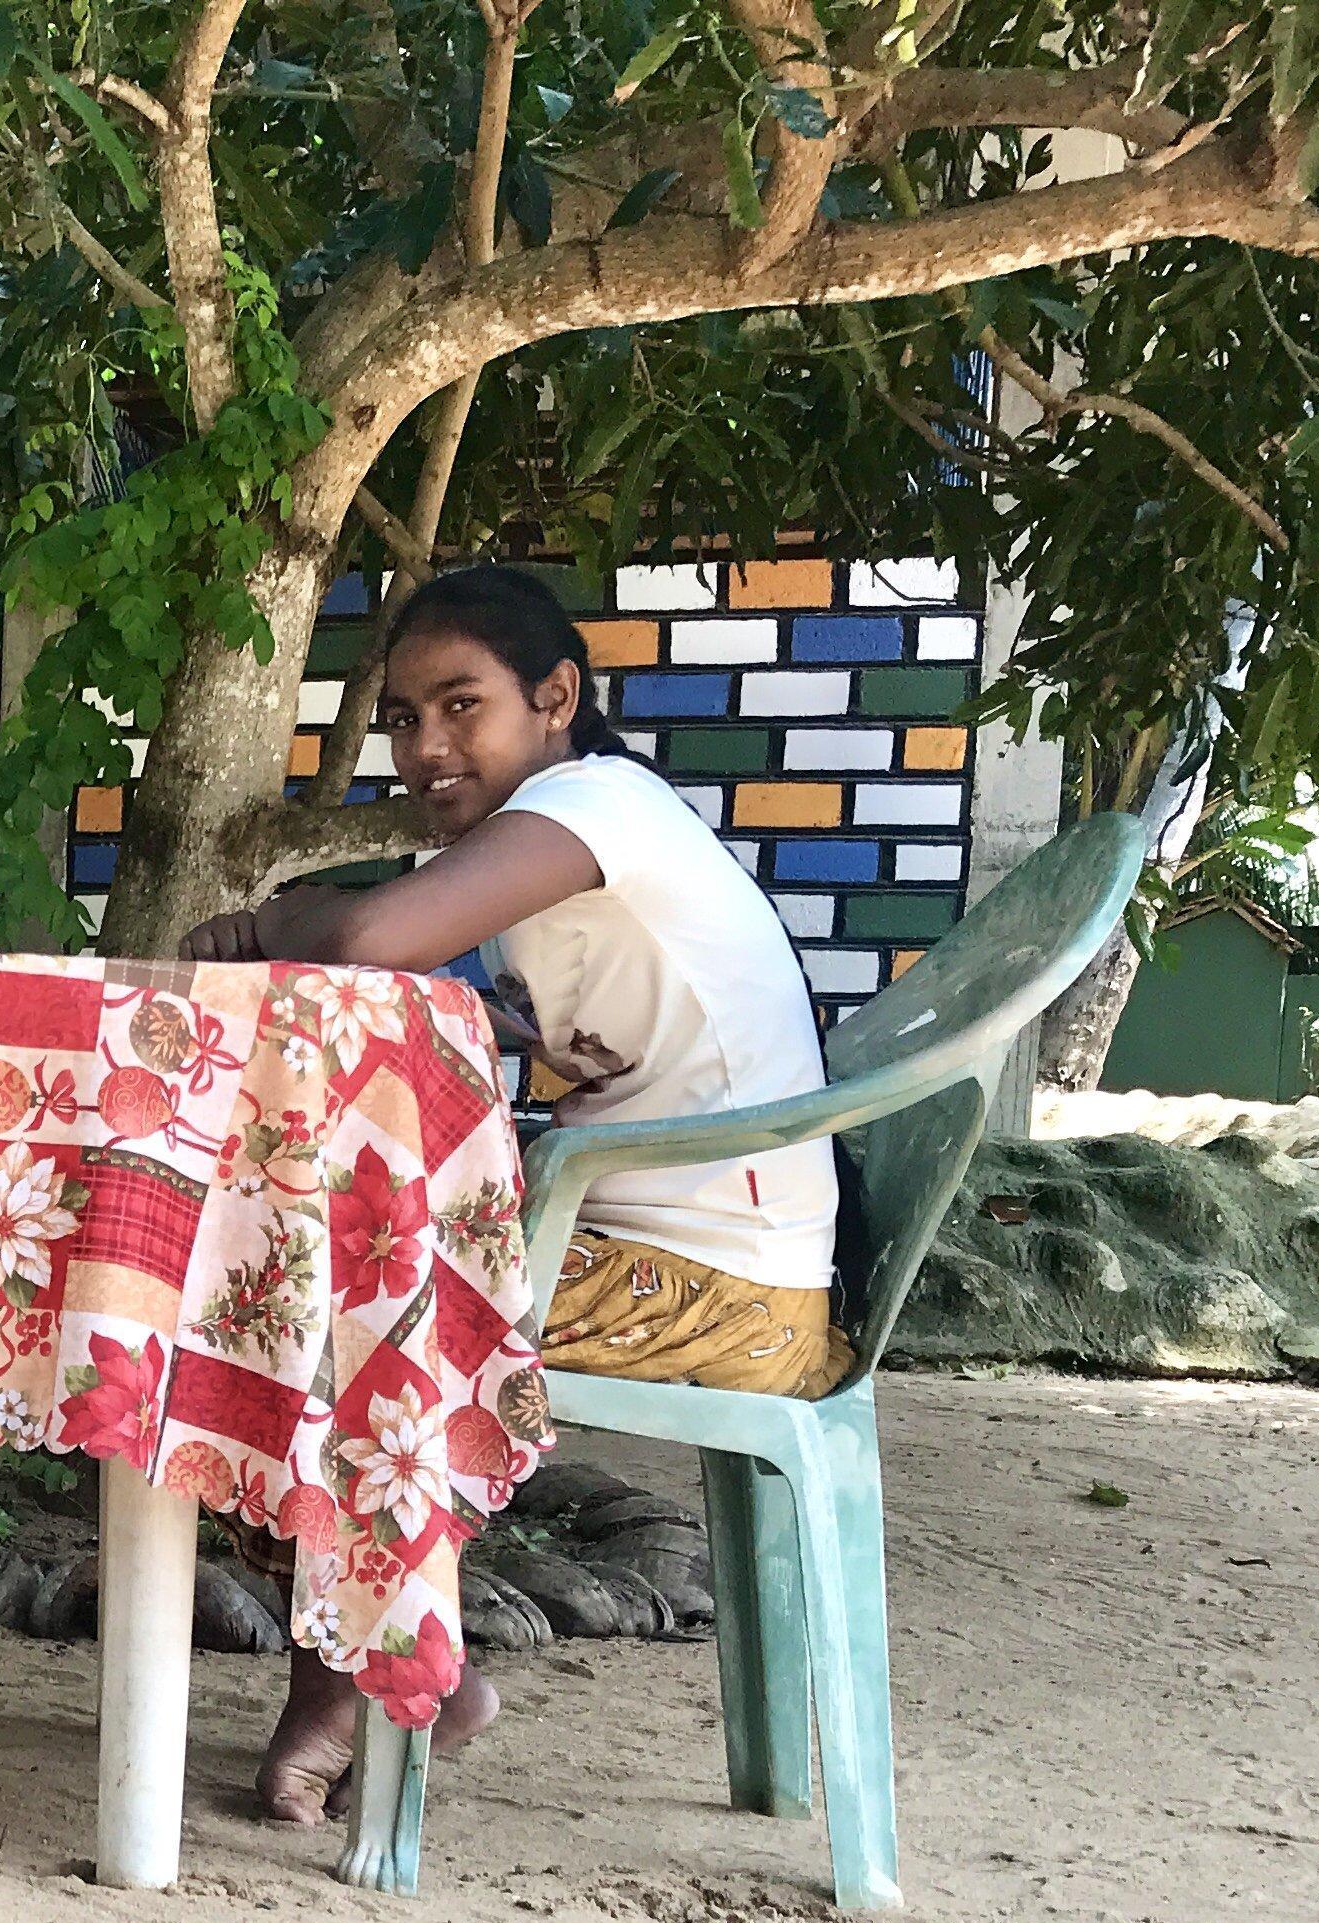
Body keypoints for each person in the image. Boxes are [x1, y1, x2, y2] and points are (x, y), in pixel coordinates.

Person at [184, 562, 851, 1823]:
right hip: (642, 1253)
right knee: (265, 1296)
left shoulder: (597, 804)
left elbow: (373, 941)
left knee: (304, 1317)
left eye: (461, 705)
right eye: (402, 719)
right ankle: (397, 1662)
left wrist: (276, 918)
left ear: (556, 698)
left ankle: (355, 1676)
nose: (426, 748)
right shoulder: (550, 842)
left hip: (720, 1290)